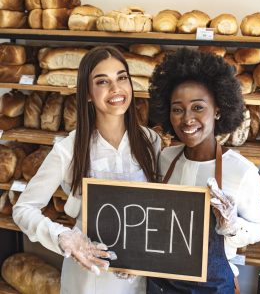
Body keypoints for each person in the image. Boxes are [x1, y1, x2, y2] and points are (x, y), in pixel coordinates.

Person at [13, 46, 161, 294]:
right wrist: (63, 237)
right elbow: (23, 209)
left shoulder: (150, 141)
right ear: (89, 94)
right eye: (102, 81)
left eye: (121, 77)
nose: (116, 89)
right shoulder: (69, 148)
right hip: (89, 276)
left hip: (137, 274)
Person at [147, 47, 260, 293]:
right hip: (163, 284)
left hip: (213, 287)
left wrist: (232, 225)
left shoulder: (241, 171)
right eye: (178, 109)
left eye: (198, 107)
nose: (187, 119)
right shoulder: (165, 159)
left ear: (218, 110)